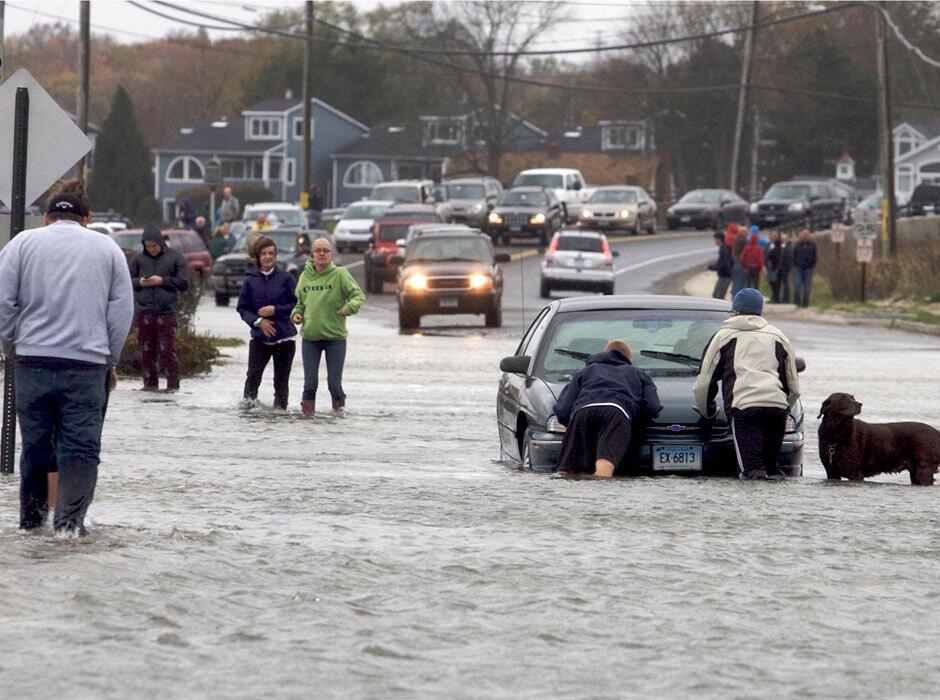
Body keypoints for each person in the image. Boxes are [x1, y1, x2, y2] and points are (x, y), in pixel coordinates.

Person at [0, 179, 134, 534]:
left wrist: (10, 347)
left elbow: (3, 301)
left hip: (31, 362)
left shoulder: (21, 244)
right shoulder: (107, 249)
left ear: (46, 218)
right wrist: (110, 360)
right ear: (85, 217)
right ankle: (69, 527)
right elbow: (121, 311)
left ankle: (31, 525)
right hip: (87, 365)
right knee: (81, 451)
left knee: (35, 447)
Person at [693, 288, 800, 479]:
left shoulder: (722, 337)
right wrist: (784, 409)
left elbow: (704, 382)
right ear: (760, 311)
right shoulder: (779, 337)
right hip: (777, 412)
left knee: (751, 474)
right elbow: (793, 387)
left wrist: (706, 410)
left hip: (745, 410)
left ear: (735, 311)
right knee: (773, 471)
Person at [552, 340, 662, 478]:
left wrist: (575, 427)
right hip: (617, 412)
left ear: (604, 353)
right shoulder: (638, 373)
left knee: (565, 470)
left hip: (582, 412)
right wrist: (631, 425)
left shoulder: (584, 371)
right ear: (629, 359)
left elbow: (563, 409)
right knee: (604, 470)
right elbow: (652, 407)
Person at [291, 237, 365, 414]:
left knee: (334, 385)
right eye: (318, 250)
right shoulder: (304, 276)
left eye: (326, 250)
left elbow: (359, 296)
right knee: (309, 385)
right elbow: (299, 303)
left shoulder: (340, 274)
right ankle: (308, 421)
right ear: (312, 254)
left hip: (335, 339)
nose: (322, 253)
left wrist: (349, 307)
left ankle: (339, 418)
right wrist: (296, 314)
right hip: (310, 339)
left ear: (331, 255)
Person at [237, 236, 298, 410]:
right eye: (264, 253)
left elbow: (296, 305)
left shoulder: (286, 278)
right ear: (258, 257)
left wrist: (275, 310)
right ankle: (248, 413)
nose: (268, 257)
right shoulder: (250, 280)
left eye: (271, 253)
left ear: (276, 256)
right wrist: (258, 321)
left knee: (281, 382)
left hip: (284, 339)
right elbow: (242, 308)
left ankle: (279, 414)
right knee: (253, 378)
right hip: (259, 338)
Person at [128, 225, 189, 391]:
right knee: (146, 354)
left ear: (161, 242)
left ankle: (173, 388)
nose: (152, 249)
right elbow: (126, 280)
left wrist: (162, 281)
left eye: (154, 246)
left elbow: (184, 283)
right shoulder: (138, 259)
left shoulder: (175, 258)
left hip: (166, 312)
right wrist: (140, 282)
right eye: (148, 246)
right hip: (144, 312)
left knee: (167, 353)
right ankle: (149, 387)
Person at [765, 231, 793, 303]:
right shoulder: (769, 245)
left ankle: (784, 299)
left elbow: (788, 257)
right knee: (773, 283)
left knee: (781, 283)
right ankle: (775, 298)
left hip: (781, 267)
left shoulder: (785, 246)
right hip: (771, 267)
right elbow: (766, 255)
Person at [792, 228, 817, 308]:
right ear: (802, 235)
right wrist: (795, 265)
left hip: (808, 269)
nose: (805, 236)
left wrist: (812, 265)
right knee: (797, 286)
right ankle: (797, 303)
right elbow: (794, 255)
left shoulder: (812, 245)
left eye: (807, 234)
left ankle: (805, 304)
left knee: (807, 288)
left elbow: (815, 256)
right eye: (804, 234)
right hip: (799, 268)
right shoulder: (798, 244)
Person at [707, 230, 733, 299]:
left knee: (718, 296)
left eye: (715, 239)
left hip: (725, 276)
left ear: (719, 239)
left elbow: (723, 264)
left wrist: (710, 267)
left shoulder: (724, 249)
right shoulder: (725, 247)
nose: (714, 241)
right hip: (725, 275)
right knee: (717, 295)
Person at [730, 224, 751, 296]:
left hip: (735, 262)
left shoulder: (736, 239)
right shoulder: (744, 240)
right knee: (741, 283)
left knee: (735, 282)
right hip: (741, 264)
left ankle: (734, 297)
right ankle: (738, 297)